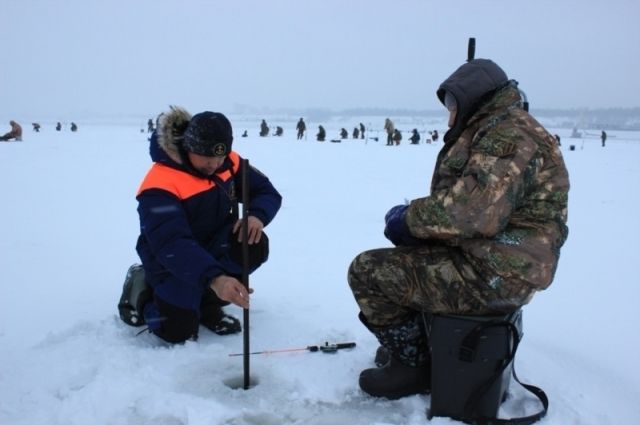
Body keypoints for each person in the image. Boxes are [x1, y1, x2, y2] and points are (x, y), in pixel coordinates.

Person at [347, 58, 570, 399]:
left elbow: (472, 213)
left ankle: (413, 367)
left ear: (475, 98)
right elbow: (470, 201)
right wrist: (418, 228)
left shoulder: (507, 134)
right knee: (414, 255)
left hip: (494, 274)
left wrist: (407, 219)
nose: (450, 113)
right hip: (494, 260)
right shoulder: (496, 127)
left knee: (368, 271)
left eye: (454, 104)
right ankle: (418, 348)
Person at [118, 106, 282, 344]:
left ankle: (207, 304)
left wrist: (256, 215)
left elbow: (266, 191)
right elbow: (172, 243)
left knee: (252, 242)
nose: (215, 164)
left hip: (214, 245)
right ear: (189, 146)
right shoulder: (159, 185)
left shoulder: (228, 162)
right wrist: (216, 279)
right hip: (171, 259)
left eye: (220, 156)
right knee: (176, 331)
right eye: (207, 157)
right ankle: (139, 289)